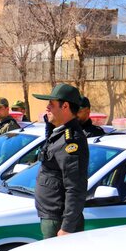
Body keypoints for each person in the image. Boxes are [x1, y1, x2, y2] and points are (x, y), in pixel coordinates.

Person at [32, 83, 89, 239]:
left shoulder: (72, 141)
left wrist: (67, 227)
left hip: (59, 221)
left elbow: (75, 187)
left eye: (51, 103)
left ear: (65, 106)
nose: (47, 107)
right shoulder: (58, 133)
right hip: (51, 215)